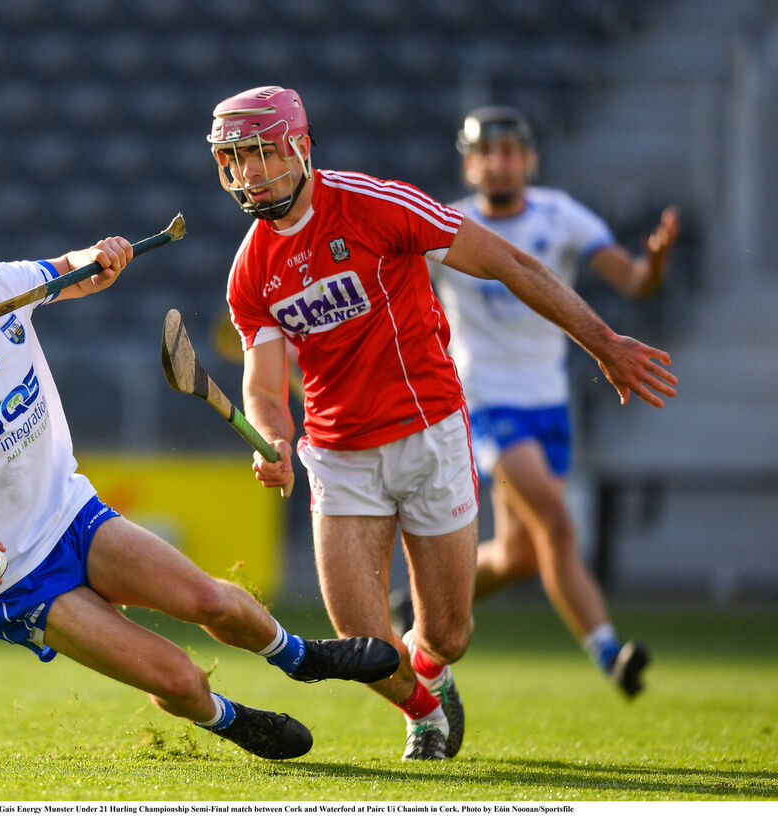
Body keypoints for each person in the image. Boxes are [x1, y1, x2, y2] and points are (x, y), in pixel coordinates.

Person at [206, 87, 677, 761]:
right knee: (364, 638)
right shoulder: (251, 271)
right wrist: (274, 438)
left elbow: (511, 264)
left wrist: (603, 342)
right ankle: (424, 713)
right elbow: (262, 384)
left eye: (261, 154)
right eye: (235, 159)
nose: (250, 173)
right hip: (339, 454)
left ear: (301, 149)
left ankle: (434, 673)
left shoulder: (378, 205)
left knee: (448, 635)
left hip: (429, 431)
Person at [0, 201, 401, 761]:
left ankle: (302, 658)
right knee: (179, 679)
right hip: (17, 577)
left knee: (209, 600)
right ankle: (229, 719)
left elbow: (70, 273)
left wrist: (100, 256)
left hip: (73, 515)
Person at [408, 106, 680, 698]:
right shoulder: (446, 224)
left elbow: (633, 281)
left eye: (511, 151)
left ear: (528, 159)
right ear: (471, 161)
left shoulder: (560, 215)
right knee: (557, 521)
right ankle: (609, 653)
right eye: (488, 152)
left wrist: (654, 264)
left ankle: (422, 602)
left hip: (550, 404)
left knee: (519, 556)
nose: (500, 163)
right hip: (483, 402)